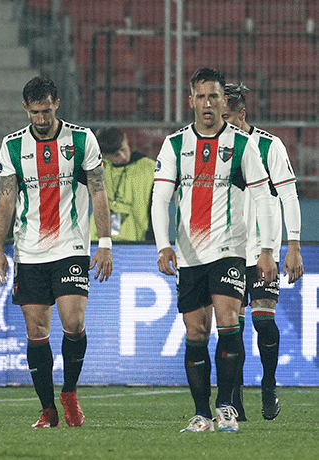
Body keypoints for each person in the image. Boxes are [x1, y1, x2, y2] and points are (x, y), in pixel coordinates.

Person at [151, 68, 278, 433]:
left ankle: (227, 408)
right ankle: (201, 413)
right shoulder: (175, 145)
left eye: (214, 97)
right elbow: (161, 198)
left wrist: (267, 249)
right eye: (201, 97)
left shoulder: (242, 144)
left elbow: (264, 199)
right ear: (190, 100)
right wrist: (163, 245)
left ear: (225, 102)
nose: (208, 104)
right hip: (189, 254)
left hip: (228, 248)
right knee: (196, 333)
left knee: (227, 322)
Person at [0, 76, 113, 428]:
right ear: (25, 109)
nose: (41, 119)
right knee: (36, 329)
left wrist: (104, 242)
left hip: (71, 245)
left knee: (73, 322)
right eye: (34, 113)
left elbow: (98, 192)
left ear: (56, 104)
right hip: (28, 250)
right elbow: (6, 198)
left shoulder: (81, 139)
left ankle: (70, 392)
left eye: (46, 111)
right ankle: (47, 409)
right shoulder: (12, 146)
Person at [223, 83, 303, 421]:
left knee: (263, 321)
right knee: (232, 327)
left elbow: (288, 196)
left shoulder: (270, 146)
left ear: (242, 114)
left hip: (262, 250)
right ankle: (235, 396)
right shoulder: (212, 147)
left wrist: (294, 244)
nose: (220, 122)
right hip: (226, 251)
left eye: (227, 116)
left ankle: (268, 384)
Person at [89, 127, 156, 242]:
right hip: (97, 239)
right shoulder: (97, 167)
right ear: (104, 154)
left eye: (124, 149)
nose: (124, 156)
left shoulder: (149, 167)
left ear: (126, 139)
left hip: (135, 242)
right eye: (116, 155)